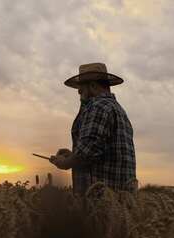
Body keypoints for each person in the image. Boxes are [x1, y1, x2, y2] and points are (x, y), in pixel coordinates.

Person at [49, 62, 137, 197]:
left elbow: (86, 155)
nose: (79, 94)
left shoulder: (98, 107)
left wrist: (65, 162)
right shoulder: (118, 110)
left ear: (93, 86)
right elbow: (97, 150)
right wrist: (73, 154)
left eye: (81, 90)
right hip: (120, 202)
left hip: (100, 202)